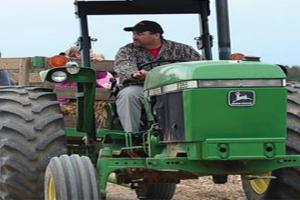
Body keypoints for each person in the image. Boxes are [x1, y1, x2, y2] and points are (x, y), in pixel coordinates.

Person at [114, 20, 203, 132]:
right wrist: (135, 74)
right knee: (128, 95)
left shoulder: (183, 50)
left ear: (156, 35)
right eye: (134, 34)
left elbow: (199, 66)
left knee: (195, 94)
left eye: (140, 34)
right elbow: (124, 65)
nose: (135, 37)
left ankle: (196, 131)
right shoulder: (127, 50)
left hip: (174, 89)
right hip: (142, 88)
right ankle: (132, 136)